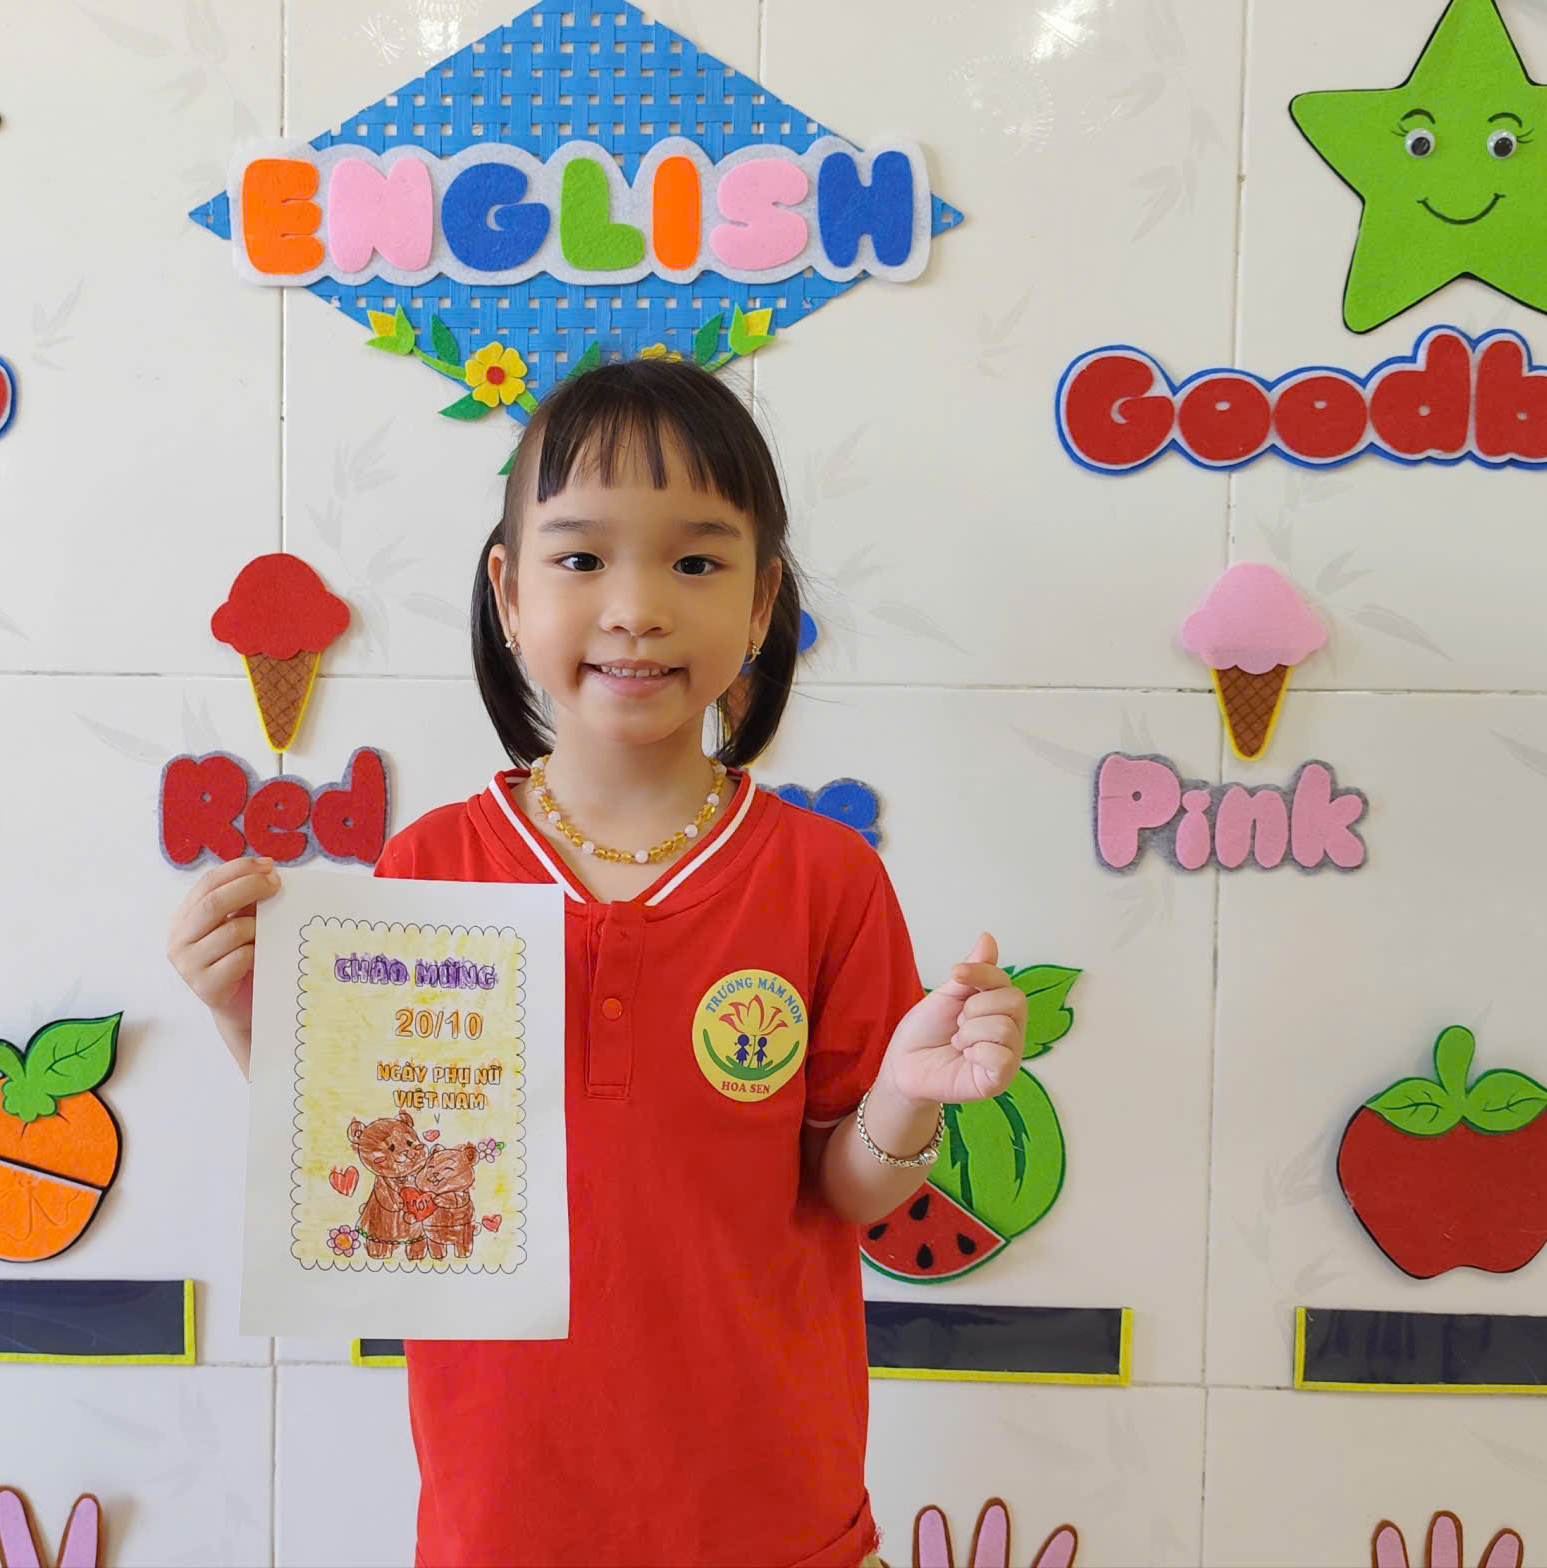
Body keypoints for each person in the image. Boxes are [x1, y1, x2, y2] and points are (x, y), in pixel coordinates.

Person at [168, 358, 1028, 1567]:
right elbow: (379, 1178)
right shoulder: (430, 867)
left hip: (776, 1516)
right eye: (580, 558)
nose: (635, 607)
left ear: (763, 601)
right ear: (508, 593)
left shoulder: (826, 877)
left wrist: (905, 1094)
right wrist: (251, 1018)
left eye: (695, 562)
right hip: (503, 1517)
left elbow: (850, 1190)